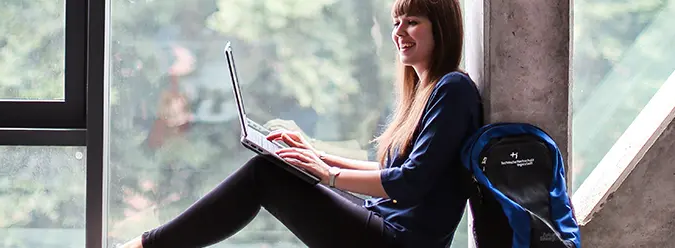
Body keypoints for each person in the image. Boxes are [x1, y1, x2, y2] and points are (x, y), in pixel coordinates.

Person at [120, 0, 481, 246]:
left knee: (265, 174)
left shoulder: (453, 89)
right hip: (386, 221)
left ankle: (148, 245)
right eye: (396, 22)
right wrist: (318, 158)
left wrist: (329, 176)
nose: (399, 31)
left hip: (399, 240)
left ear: (441, 27)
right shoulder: (424, 91)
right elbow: (390, 171)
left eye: (413, 21)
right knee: (282, 167)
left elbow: (410, 183)